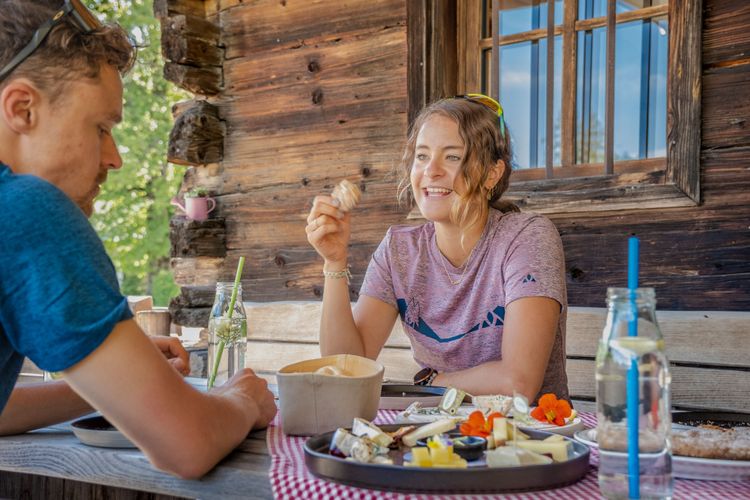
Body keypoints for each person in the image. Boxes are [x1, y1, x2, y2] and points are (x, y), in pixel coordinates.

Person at [0, 0, 276, 479]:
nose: (114, 158)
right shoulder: (26, 209)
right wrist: (242, 401)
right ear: (22, 108)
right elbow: (186, 444)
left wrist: (122, 384)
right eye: (101, 127)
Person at [306, 94, 569, 404]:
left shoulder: (526, 238)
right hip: (432, 433)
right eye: (422, 156)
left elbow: (518, 382)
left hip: (528, 439)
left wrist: (433, 382)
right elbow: (346, 367)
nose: (431, 171)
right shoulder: (399, 250)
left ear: (491, 173)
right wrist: (334, 262)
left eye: (452, 157)